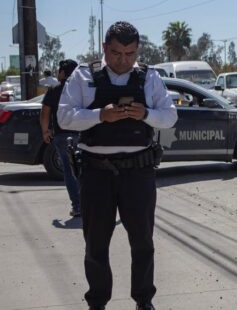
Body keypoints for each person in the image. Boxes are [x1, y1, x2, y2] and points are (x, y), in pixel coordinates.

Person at [58, 22, 177, 310]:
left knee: (142, 242)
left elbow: (170, 116)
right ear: (104, 49)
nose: (123, 61)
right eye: (116, 53)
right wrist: (101, 115)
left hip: (139, 172)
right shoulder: (83, 75)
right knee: (96, 243)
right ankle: (97, 302)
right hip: (96, 172)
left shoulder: (149, 77)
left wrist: (146, 113)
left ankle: (144, 300)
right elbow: (64, 117)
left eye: (130, 54)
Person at [40, 59, 80, 216]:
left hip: (62, 135)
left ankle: (77, 206)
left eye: (59, 71)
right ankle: (90, 203)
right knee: (87, 169)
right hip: (82, 134)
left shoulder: (54, 89)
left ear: (63, 72)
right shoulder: (81, 88)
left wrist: (45, 131)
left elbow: (45, 112)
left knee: (69, 171)